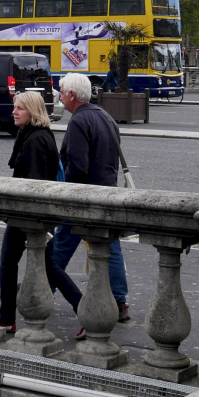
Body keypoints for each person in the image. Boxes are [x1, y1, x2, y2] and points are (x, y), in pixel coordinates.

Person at [49, 72, 129, 338]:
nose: (59, 95)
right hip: (107, 192)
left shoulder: (78, 122)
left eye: (61, 91)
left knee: (60, 245)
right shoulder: (105, 116)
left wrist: (67, 191)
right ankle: (119, 301)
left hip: (83, 197)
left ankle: (43, 286)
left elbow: (78, 166)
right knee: (110, 247)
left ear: (72, 95)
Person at [0, 91, 65, 332]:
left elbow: (33, 183)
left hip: (27, 215)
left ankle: (6, 318)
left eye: (20, 108)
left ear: (33, 112)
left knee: (8, 263)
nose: (14, 112)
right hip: (32, 214)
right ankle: (79, 305)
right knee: (49, 267)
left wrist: (25, 218)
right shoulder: (35, 134)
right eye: (15, 107)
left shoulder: (35, 140)